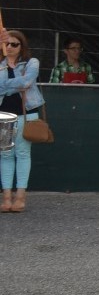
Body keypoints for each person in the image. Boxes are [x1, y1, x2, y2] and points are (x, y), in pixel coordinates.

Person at [0, 30, 43, 213]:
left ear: (22, 46)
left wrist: (7, 86)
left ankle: (21, 196)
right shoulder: (1, 64)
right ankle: (7, 197)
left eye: (15, 44)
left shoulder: (32, 62)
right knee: (6, 155)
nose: (10, 47)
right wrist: (14, 85)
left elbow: (26, 83)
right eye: (7, 44)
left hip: (27, 114)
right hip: (4, 115)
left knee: (23, 154)